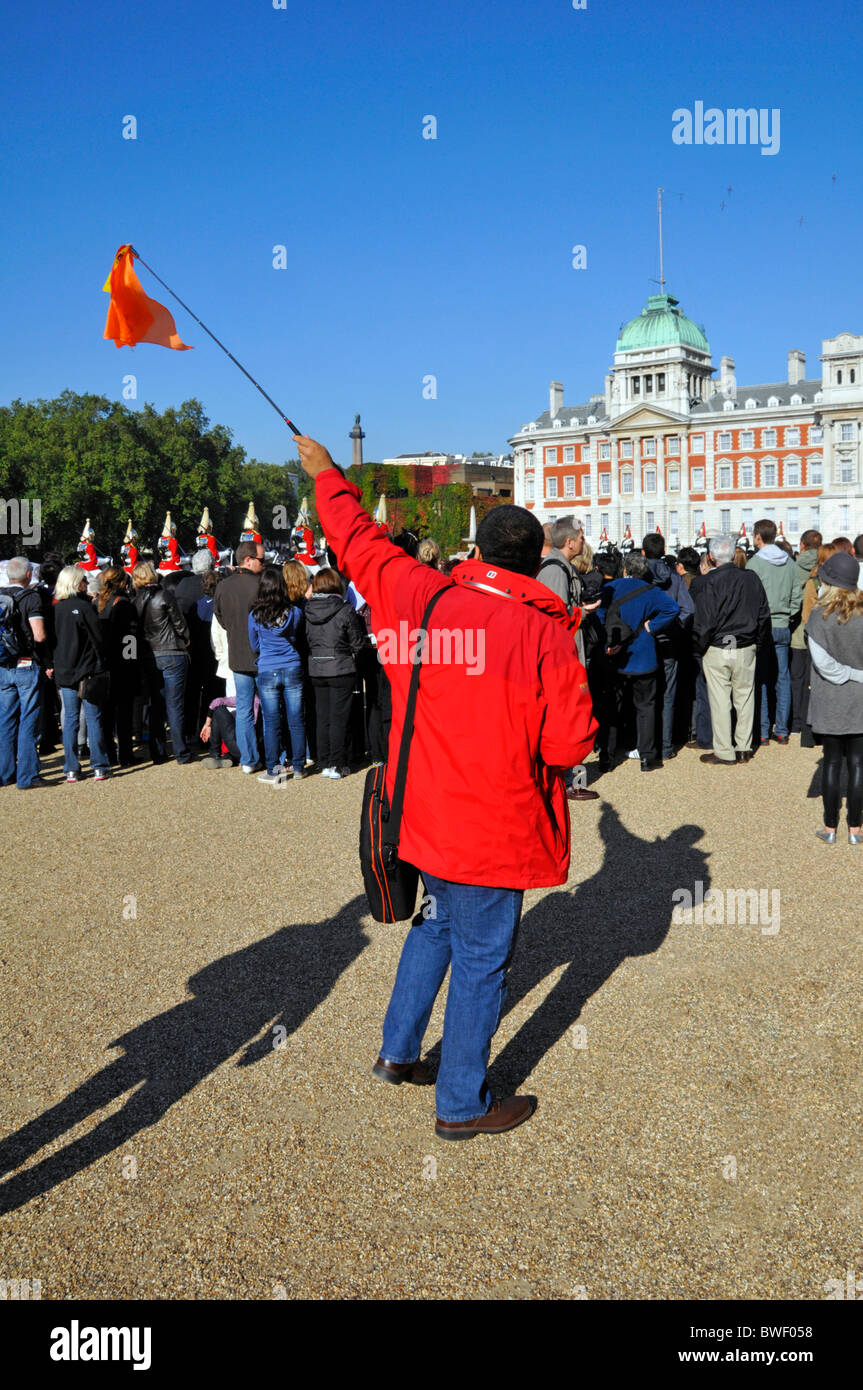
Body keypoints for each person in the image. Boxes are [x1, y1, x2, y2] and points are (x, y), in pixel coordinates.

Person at [296, 434, 597, 1140]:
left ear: (480, 554)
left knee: (436, 925)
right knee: (482, 959)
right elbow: (570, 744)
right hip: (493, 821)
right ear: (535, 561)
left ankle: (398, 1052)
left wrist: (326, 476)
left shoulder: (424, 596)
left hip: (423, 809)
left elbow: (359, 542)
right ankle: (461, 1102)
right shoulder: (543, 631)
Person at [691, 535, 771, 765]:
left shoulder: (709, 582)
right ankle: (743, 747)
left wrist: (699, 646)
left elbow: (704, 621)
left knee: (720, 700)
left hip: (719, 644)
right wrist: (759, 642)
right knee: (744, 697)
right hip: (743, 644)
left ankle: (725, 750)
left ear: (711, 557)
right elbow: (763, 614)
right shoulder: (750, 578)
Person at [596, 553, 680, 771]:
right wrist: (652, 626)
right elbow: (672, 608)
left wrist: (607, 638)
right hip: (643, 653)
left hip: (614, 652)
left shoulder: (610, 588)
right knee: (646, 707)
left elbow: (599, 614)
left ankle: (607, 756)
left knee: (611, 708)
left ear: (625, 569)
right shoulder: (651, 591)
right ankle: (648, 757)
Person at [804, 551, 863, 844]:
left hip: (830, 697)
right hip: (860, 697)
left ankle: (830, 829)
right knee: (857, 763)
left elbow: (825, 665)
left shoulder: (818, 615)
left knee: (831, 762)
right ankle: (855, 829)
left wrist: (851, 674)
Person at [304, 566, 367, 778]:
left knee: (323, 717)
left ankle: (324, 761)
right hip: (340, 666)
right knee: (339, 718)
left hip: (317, 667)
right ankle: (337, 763)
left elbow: (307, 638)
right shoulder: (344, 608)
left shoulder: (308, 609)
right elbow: (357, 642)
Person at [52, 565, 112, 782]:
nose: (86, 583)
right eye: (84, 580)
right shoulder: (85, 607)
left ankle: (71, 768)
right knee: (93, 718)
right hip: (88, 670)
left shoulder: (55, 609)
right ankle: (99, 766)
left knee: (70, 719)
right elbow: (99, 638)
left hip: (65, 670)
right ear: (76, 583)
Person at [248, 565, 307, 784]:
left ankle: (274, 768)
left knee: (271, 722)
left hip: (267, 668)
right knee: (296, 719)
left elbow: (254, 644)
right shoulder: (295, 612)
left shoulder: (255, 615)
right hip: (291, 665)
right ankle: (299, 765)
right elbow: (294, 637)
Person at [747, 519, 803, 746]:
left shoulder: (754, 564)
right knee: (782, 679)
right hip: (782, 624)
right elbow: (796, 597)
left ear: (759, 536)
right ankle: (781, 730)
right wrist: (787, 615)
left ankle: (762, 731)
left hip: (762, 626)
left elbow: (750, 599)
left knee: (760, 678)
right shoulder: (789, 563)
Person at [131, 562, 193, 765]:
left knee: (156, 704)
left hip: (150, 654)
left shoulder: (135, 600)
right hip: (171, 650)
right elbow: (179, 622)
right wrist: (185, 637)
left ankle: (158, 752)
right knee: (175, 705)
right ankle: (181, 751)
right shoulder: (164, 595)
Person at [213, 539, 265, 772]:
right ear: (248, 559)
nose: (264, 565)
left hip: (238, 653)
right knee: (268, 707)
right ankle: (269, 754)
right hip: (262, 654)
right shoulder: (261, 585)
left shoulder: (223, 586)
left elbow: (221, 618)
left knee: (243, 708)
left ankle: (249, 759)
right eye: (261, 560)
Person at [641, 532, 694, 761]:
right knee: (667, 695)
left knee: (644, 696)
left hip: (643, 642)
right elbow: (688, 609)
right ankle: (665, 745)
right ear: (663, 552)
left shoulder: (638, 574)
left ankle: (645, 745)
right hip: (669, 641)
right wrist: (672, 626)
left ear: (643, 552)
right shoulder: (675, 577)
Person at [0, 556, 52, 789]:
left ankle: (5, 773)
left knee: (6, 720)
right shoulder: (31, 598)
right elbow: (39, 634)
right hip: (27, 663)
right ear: (29, 574)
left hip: (3, 665)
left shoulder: (1, 595)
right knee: (29, 719)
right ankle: (28, 775)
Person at [96, 566, 139, 766]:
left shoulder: (96, 602)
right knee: (123, 713)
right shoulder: (123, 604)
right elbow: (130, 636)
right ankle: (125, 754)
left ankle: (109, 753)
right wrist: (131, 663)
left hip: (102, 664)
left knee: (106, 713)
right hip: (122, 664)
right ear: (122, 583)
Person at [790, 529, 822, 740]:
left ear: (802, 545)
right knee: (815, 678)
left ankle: (796, 722)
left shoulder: (794, 567)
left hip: (797, 629)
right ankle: (812, 723)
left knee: (796, 677)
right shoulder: (823, 565)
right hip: (818, 630)